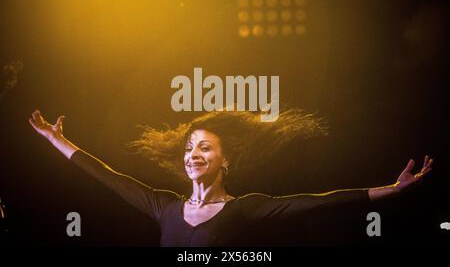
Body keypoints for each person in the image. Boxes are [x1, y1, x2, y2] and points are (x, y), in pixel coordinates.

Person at [29, 109, 433, 246]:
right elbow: (105, 175)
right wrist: (56, 139)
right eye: (190, 147)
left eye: (205, 147)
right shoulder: (163, 206)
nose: (194, 154)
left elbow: (318, 200)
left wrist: (391, 191)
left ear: (226, 162)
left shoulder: (246, 208)